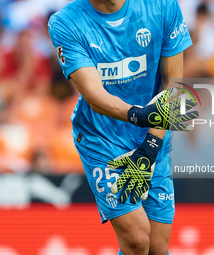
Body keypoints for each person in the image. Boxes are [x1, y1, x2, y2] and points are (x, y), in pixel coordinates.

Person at [48, 0, 198, 254]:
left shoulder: (162, 5)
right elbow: (94, 95)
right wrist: (141, 115)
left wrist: (150, 147)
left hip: (153, 135)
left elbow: (173, 85)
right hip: (102, 138)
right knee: (137, 239)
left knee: (157, 247)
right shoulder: (65, 22)